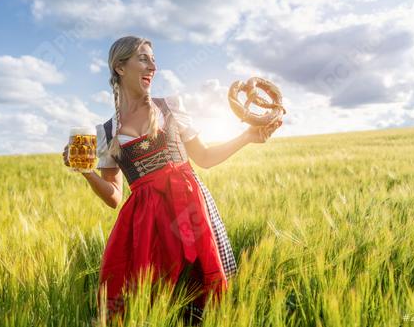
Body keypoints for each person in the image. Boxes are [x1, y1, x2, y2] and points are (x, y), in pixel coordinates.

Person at [62, 36, 283, 324]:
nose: (152, 65)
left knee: (202, 296)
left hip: (192, 213)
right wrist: (86, 172)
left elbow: (203, 157)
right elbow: (115, 197)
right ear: (119, 67)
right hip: (146, 226)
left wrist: (247, 137)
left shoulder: (170, 107)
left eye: (153, 59)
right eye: (143, 58)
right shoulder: (105, 132)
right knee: (153, 300)